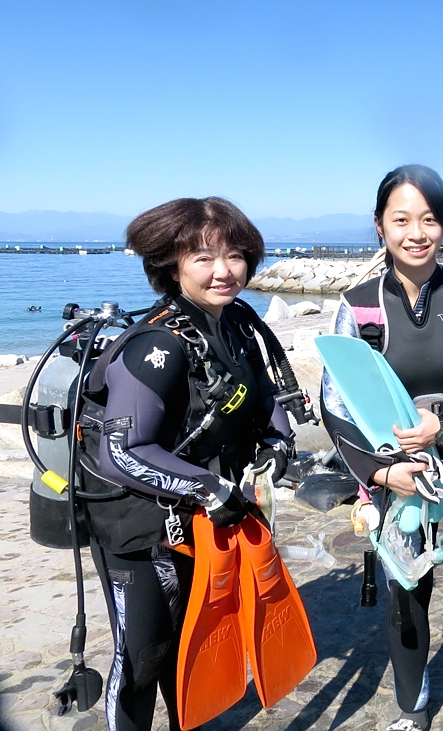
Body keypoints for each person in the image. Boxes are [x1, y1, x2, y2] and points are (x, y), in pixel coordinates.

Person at [321, 165, 443, 731]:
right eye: (401, 219)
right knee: (406, 590)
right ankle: (412, 709)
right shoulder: (359, 304)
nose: (416, 232)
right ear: (380, 225)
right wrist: (382, 474)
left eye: (429, 219)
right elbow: (334, 403)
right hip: (397, 469)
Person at [79, 197, 293, 731]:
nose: (224, 270)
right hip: (139, 529)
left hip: (199, 521)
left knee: (194, 645)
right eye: (202, 257)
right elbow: (124, 451)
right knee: (143, 657)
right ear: (170, 267)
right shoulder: (158, 344)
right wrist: (211, 490)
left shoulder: (235, 323)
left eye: (236, 254)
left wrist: (278, 442)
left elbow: (263, 394)